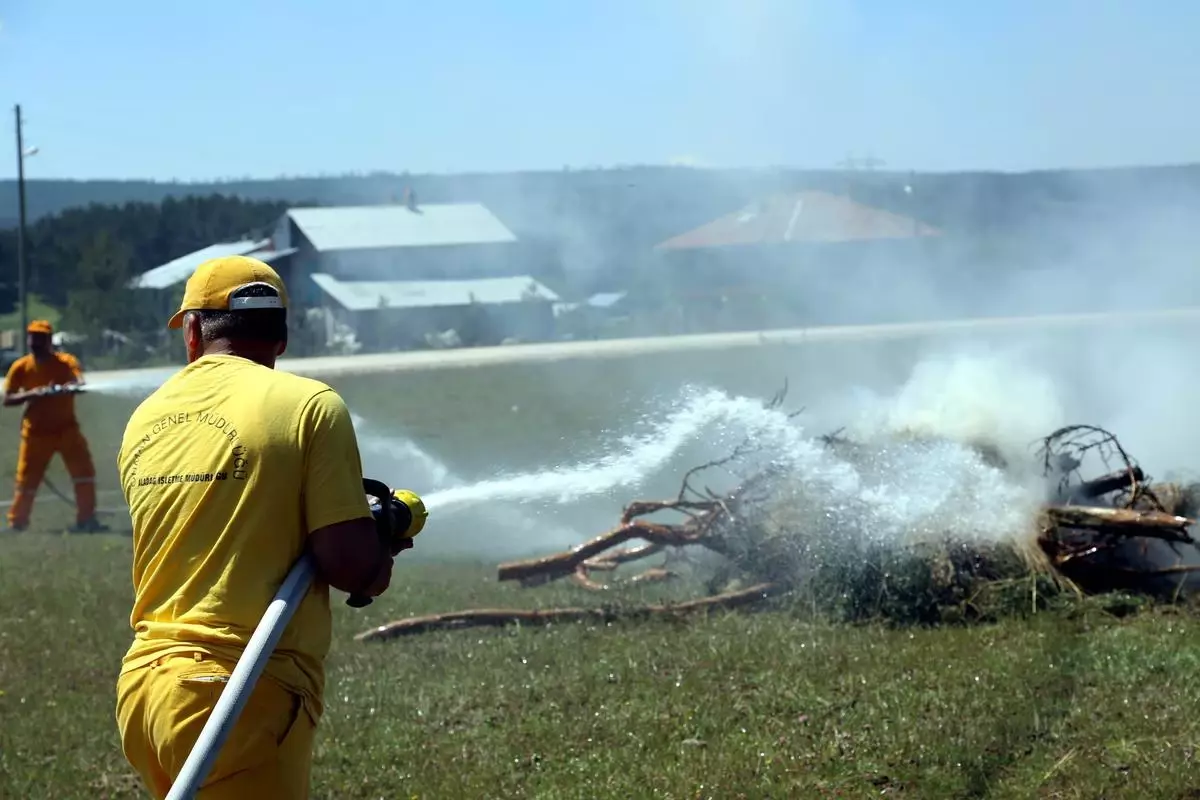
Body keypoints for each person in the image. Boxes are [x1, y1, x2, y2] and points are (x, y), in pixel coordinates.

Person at [114, 255, 401, 799]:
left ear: (194, 331)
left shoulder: (144, 419)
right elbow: (350, 565)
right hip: (241, 694)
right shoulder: (310, 406)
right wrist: (380, 543)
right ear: (282, 336)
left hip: (146, 693)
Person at [3, 319, 107, 532]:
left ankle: (86, 520)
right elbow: (8, 399)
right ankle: (17, 522)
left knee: (84, 474)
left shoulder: (66, 361)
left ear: (49, 341)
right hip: (35, 434)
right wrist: (36, 393)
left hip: (67, 430)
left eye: (40, 338)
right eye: (33, 337)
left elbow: (80, 383)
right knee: (26, 481)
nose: (35, 342)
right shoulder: (20, 367)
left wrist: (63, 388)